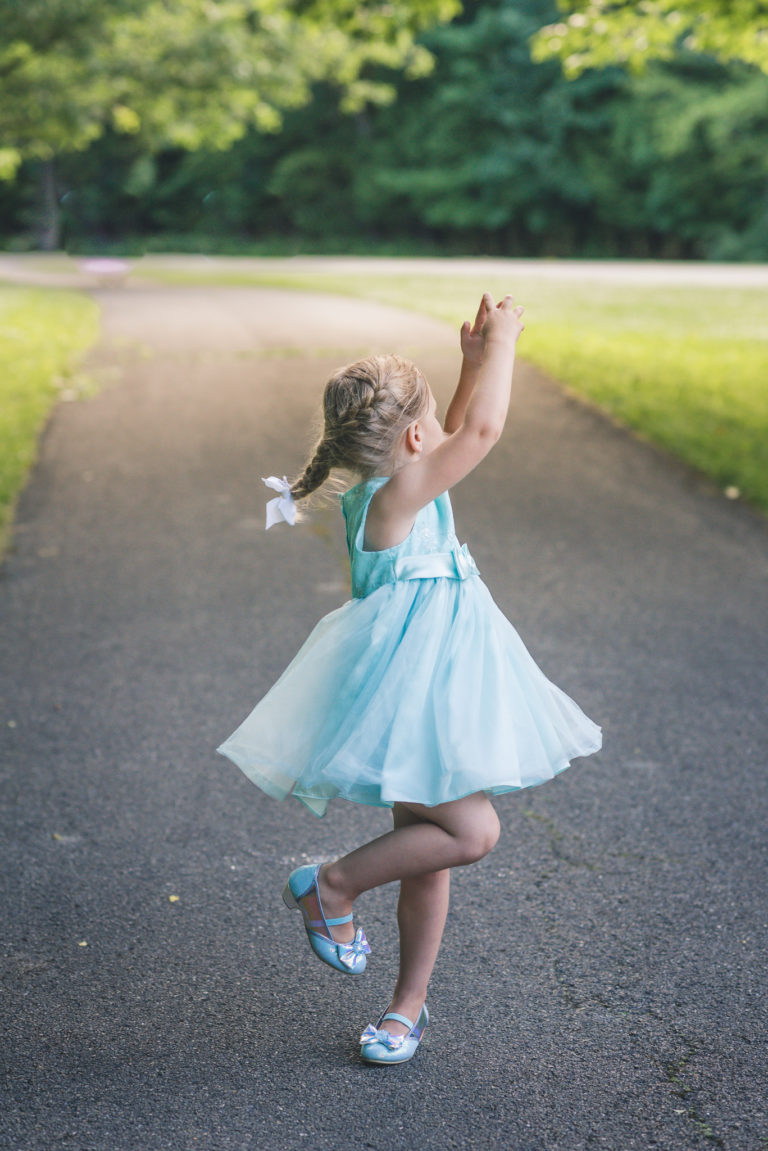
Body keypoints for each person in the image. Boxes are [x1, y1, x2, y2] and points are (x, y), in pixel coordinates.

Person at [218, 293, 602, 1065]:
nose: (442, 436)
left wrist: (465, 368)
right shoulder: (398, 497)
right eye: (431, 424)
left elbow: (451, 432)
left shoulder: (396, 480)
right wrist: (504, 346)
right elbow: (482, 432)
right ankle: (330, 884)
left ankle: (407, 1006)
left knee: (430, 848)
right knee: (472, 832)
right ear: (415, 438)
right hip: (419, 688)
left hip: (426, 689)